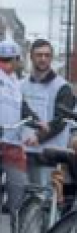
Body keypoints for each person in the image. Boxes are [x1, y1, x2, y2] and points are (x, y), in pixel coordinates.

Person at [21, 39, 76, 188]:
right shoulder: (22, 84)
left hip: (49, 153)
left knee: (44, 199)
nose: (43, 59)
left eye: (47, 55)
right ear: (31, 57)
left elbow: (62, 119)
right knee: (22, 201)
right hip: (24, 151)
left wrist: (39, 136)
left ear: (51, 58)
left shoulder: (63, 87)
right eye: (39, 55)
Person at [1, 40, 32, 219]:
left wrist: (37, 122)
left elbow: (22, 107)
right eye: (2, 60)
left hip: (12, 142)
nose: (5, 64)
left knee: (18, 186)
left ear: (17, 60)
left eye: (9, 60)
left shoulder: (16, 83)